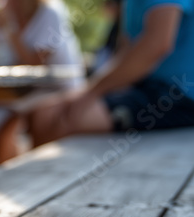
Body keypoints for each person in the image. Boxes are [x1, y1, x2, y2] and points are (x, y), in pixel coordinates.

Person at [28, 0, 194, 147]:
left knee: (67, 121)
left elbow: (157, 45)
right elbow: (125, 51)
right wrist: (90, 92)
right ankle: (38, 179)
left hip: (177, 96)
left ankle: (62, 180)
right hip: (143, 88)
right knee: (42, 113)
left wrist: (91, 93)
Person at [0, 0, 83, 163]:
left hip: (59, 88)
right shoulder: (6, 15)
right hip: (29, 89)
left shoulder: (50, 13)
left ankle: (16, 167)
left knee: (9, 116)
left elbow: (35, 63)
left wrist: (8, 29)